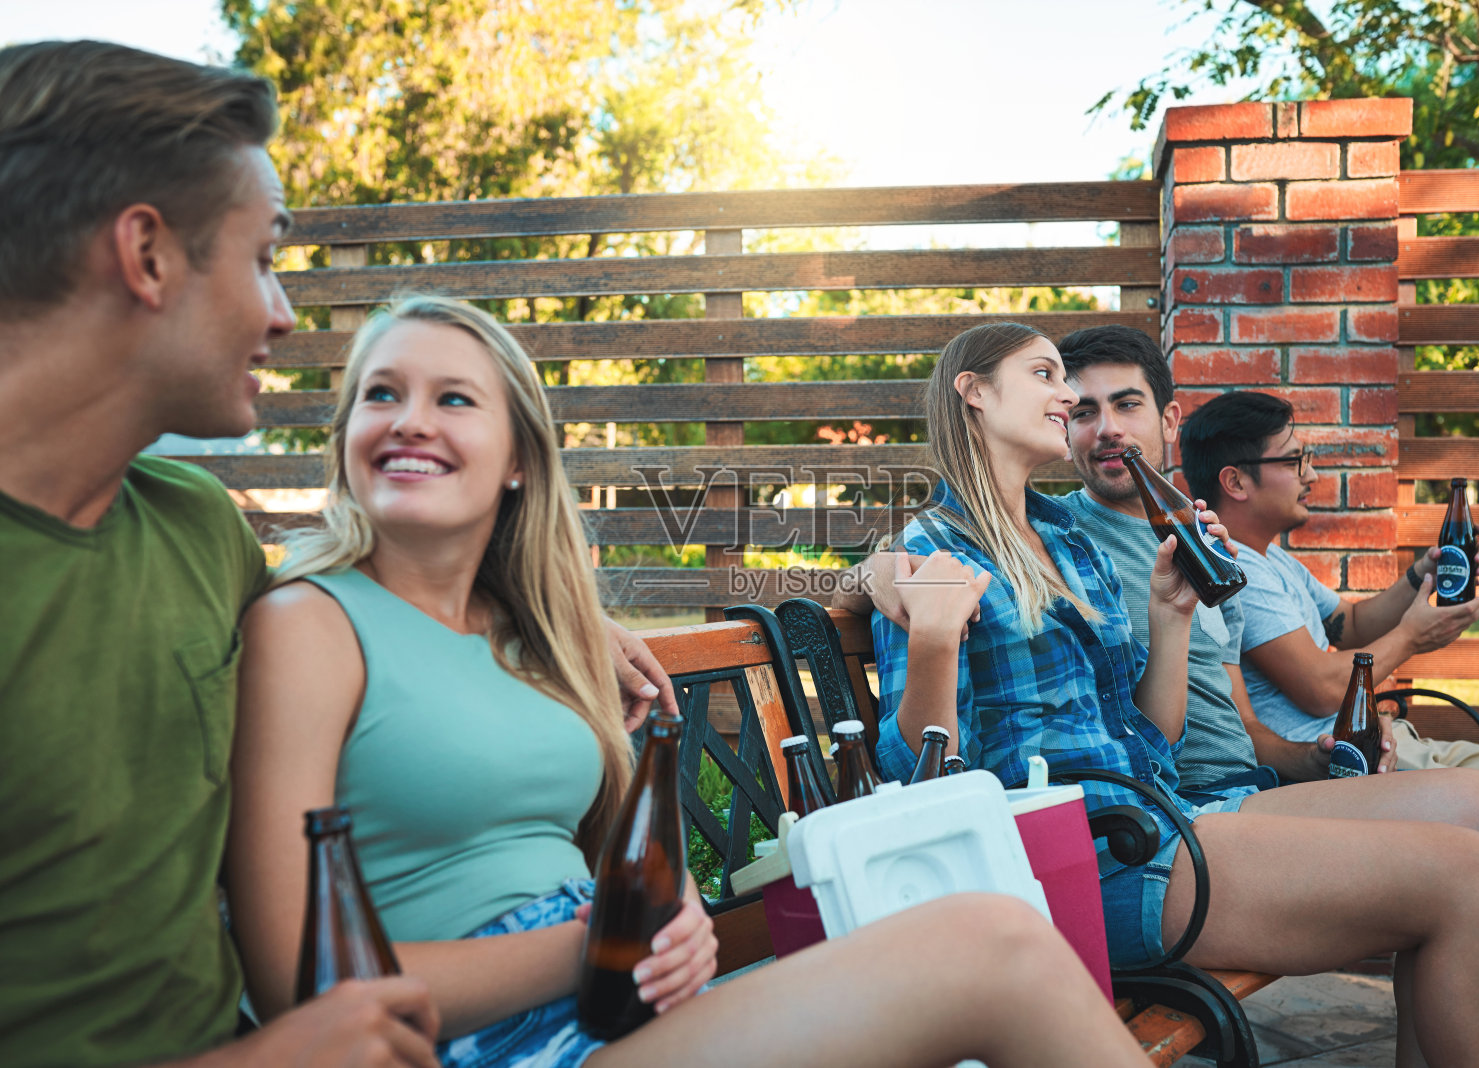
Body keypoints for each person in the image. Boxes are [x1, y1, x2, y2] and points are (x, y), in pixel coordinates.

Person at [224, 294, 1155, 1068]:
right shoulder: (310, 624)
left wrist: (664, 923)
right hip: (494, 1042)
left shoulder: (531, 635)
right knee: (992, 945)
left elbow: (601, 854)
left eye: (454, 399)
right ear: (346, 434)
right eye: (380, 393)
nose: (411, 418)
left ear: (518, 461)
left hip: (626, 1004)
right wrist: (607, 943)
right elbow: (298, 980)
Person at [865, 320, 1479, 1066]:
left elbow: (1150, 734)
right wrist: (932, 637)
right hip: (1083, 858)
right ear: (974, 393)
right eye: (1046, 376)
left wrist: (1172, 613)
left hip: (1159, 813)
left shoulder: (1064, 540)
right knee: (1468, 882)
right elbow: (916, 774)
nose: (1067, 397)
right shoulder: (930, 552)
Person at [0, 40, 444, 1068]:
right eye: (263, 257)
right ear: (147, 255)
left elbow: (367, 619)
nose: (283, 315)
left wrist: (545, 616)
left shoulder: (195, 524)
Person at [1181, 389, 1479, 868]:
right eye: (1296, 460)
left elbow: (1350, 624)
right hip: (1364, 774)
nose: (1312, 475)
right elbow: (1320, 690)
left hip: (1404, 744)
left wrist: (1423, 573)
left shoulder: (1271, 558)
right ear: (1235, 481)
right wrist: (1412, 639)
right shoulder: (1233, 571)